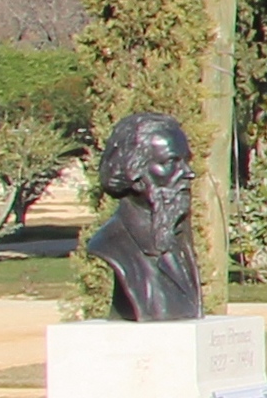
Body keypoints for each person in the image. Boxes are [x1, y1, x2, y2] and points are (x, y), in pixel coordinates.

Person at [84, 112, 206, 322]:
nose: (188, 172)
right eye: (171, 162)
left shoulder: (178, 235)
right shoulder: (113, 244)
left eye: (186, 161)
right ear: (135, 175)